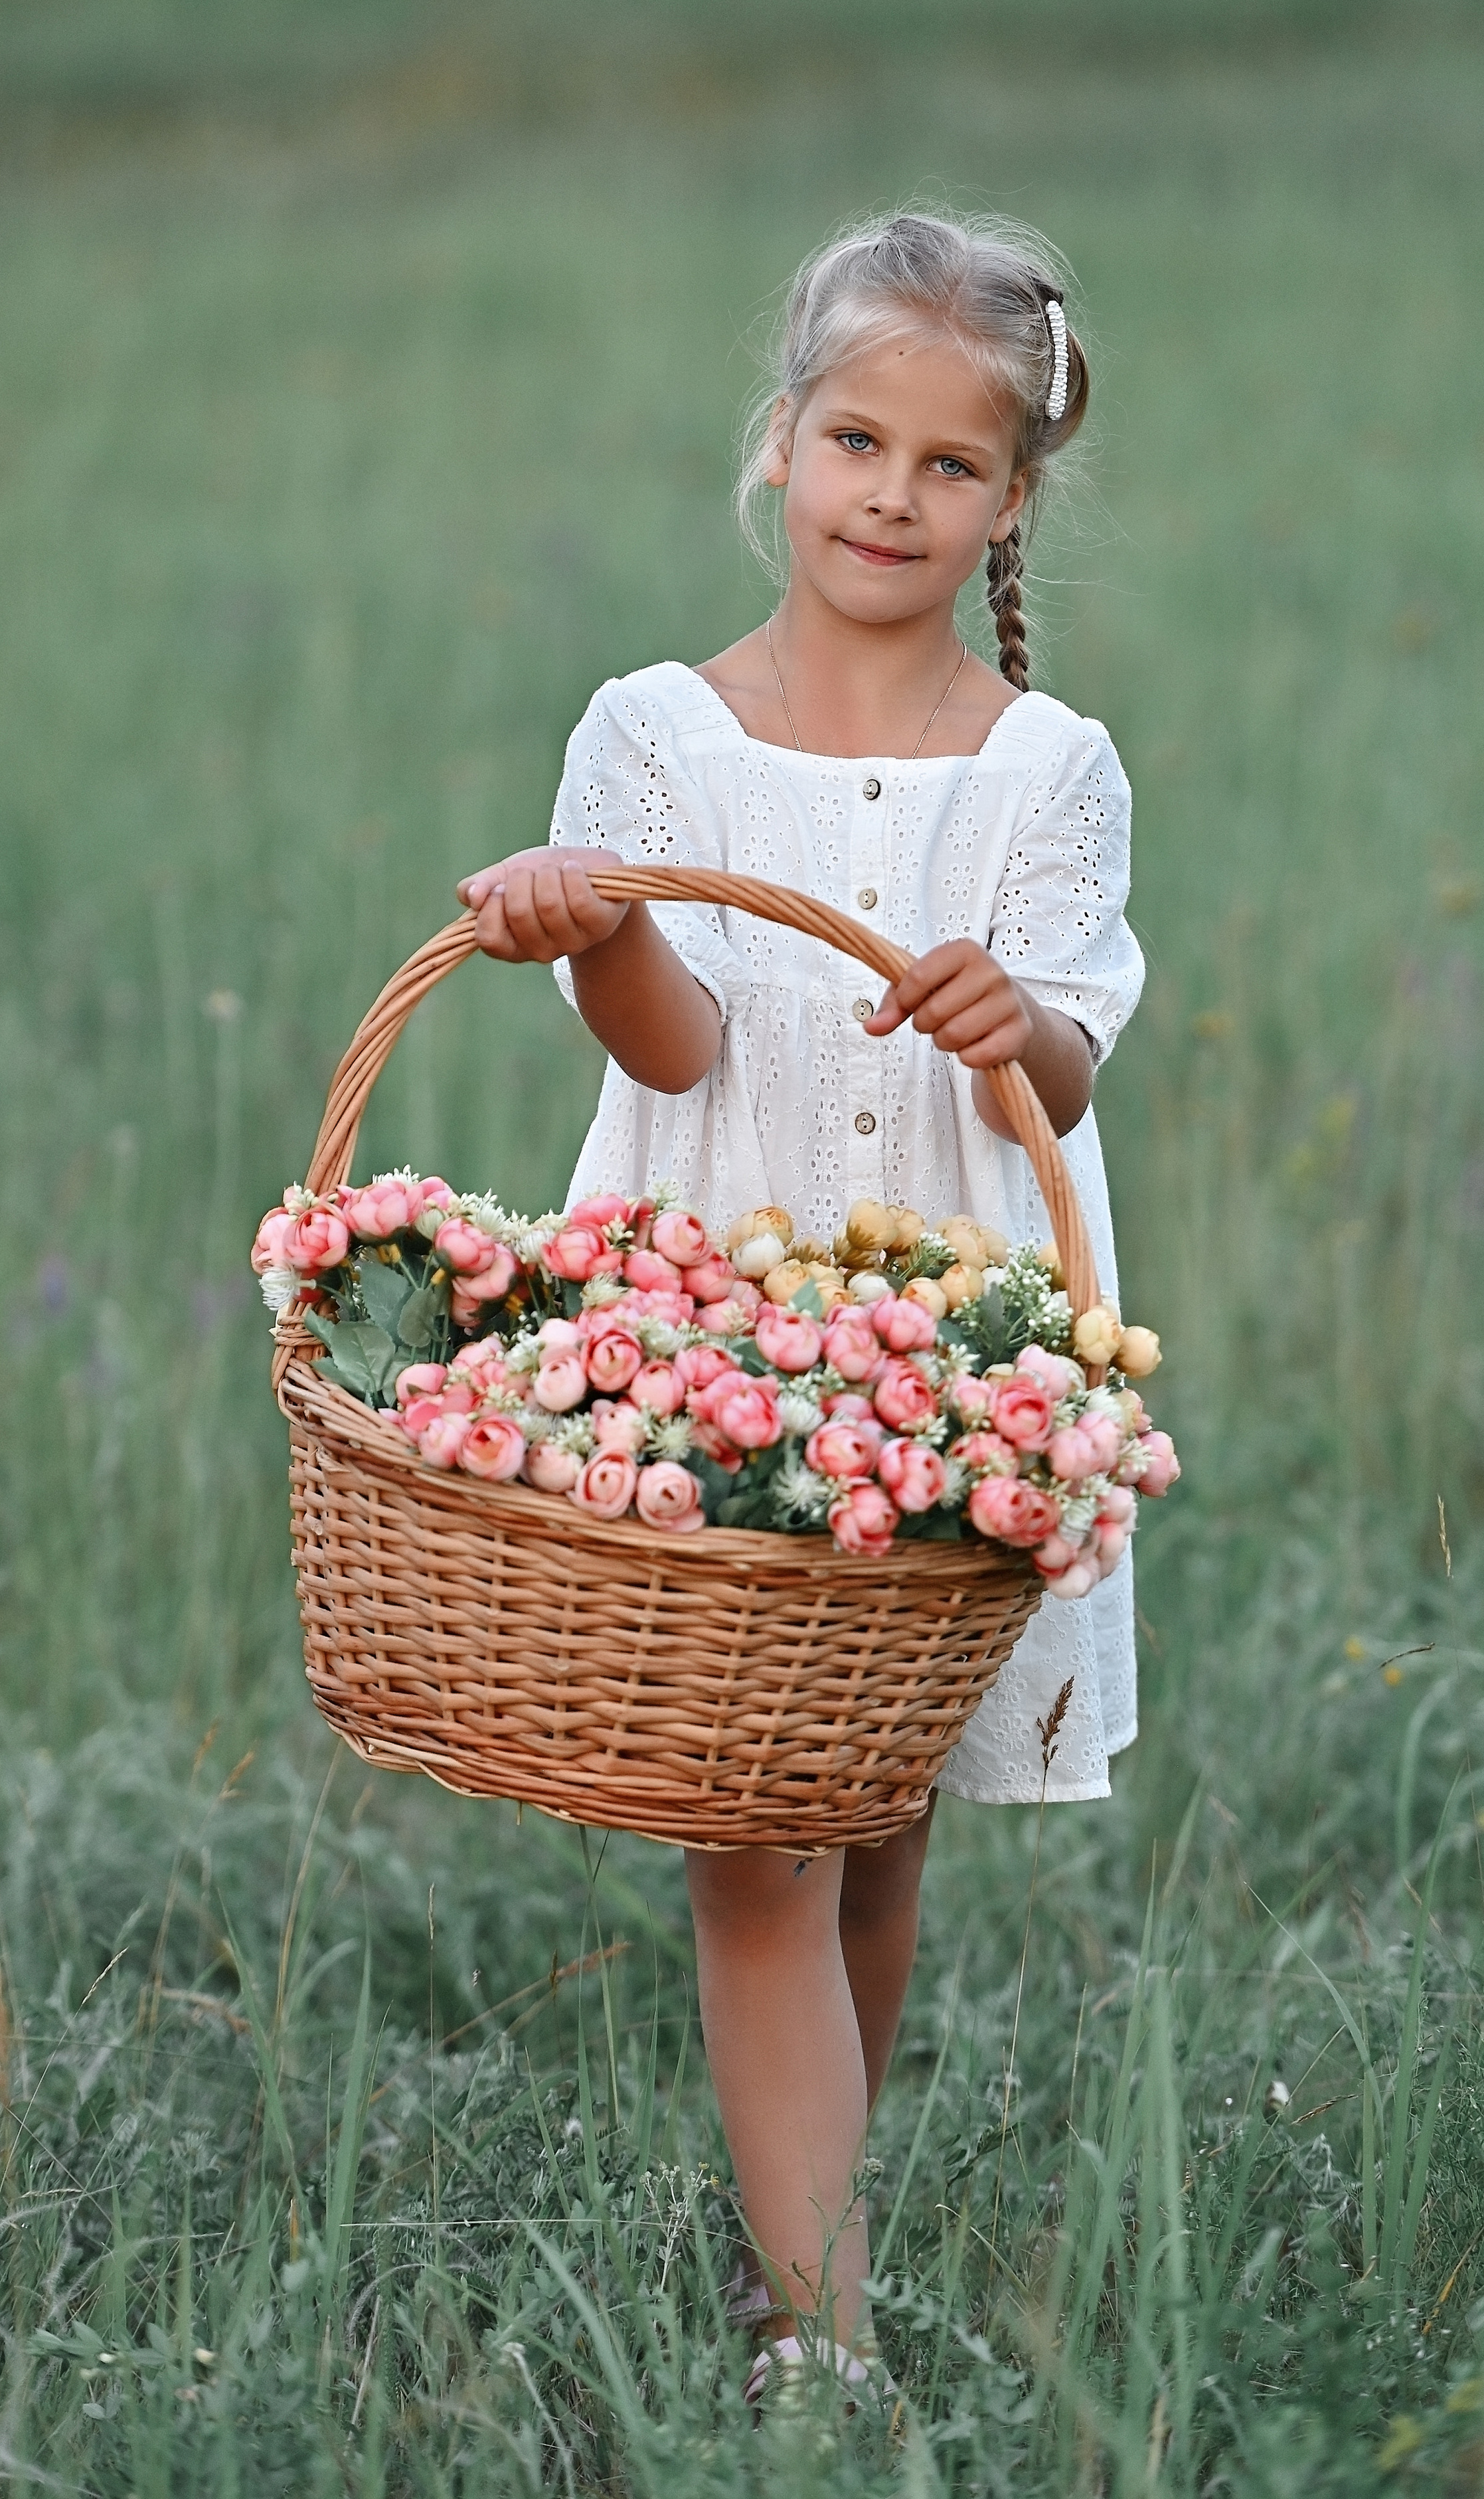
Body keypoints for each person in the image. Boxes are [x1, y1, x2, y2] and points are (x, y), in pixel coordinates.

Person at [457, 210, 1145, 2395]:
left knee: (870, 1812)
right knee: (752, 1825)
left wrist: (1006, 1011)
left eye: (950, 466)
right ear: (782, 443)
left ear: (1011, 499)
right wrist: (593, 932)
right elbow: (670, 1057)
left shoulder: (1049, 769)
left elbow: (1070, 1065)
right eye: (855, 439)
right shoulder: (656, 734)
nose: (891, 496)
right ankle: (817, 2337)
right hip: (715, 1338)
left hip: (944, 1356)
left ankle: (797, 2246)